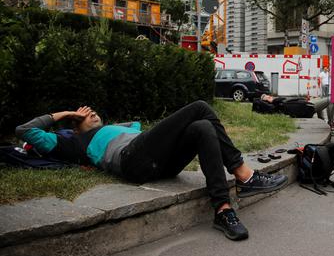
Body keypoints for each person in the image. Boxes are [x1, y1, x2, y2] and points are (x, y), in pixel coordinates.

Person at [15, 100, 288, 241]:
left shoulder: (121, 127)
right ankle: (244, 175)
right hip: (131, 162)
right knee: (201, 108)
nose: (91, 113)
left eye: (93, 112)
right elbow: (26, 131)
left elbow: (151, 133)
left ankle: (223, 211)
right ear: (75, 124)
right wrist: (65, 114)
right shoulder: (71, 142)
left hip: (159, 161)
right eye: (85, 115)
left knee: (202, 127)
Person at [258, 94, 334, 131]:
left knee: (324, 99)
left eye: (269, 95)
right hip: (308, 107)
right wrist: (272, 100)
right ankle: (331, 122)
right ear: (267, 102)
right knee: (331, 99)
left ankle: (323, 120)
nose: (270, 96)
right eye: (268, 97)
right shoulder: (276, 103)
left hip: (307, 104)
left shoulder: (277, 102)